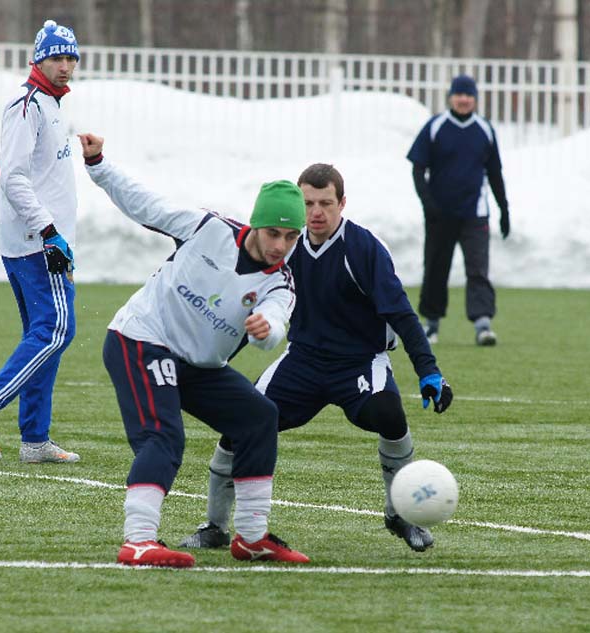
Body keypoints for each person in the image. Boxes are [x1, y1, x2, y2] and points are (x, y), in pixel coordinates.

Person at [180, 163, 454, 553]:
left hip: (360, 362)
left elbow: (401, 314)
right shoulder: (283, 247)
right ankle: (215, 526)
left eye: (326, 202)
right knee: (242, 423)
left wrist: (429, 371)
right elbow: (247, 310)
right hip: (303, 361)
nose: (316, 212)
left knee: (390, 416)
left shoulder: (363, 248)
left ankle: (401, 514)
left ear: (343, 203)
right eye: (308, 202)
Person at [78, 132, 310, 568]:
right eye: (274, 232)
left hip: (198, 365)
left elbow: (277, 320)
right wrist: (98, 165)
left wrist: (266, 330)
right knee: (164, 436)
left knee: (260, 417)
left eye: (291, 237)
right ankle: (140, 540)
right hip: (141, 339)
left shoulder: (280, 281)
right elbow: (145, 204)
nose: (280, 245)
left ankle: (253, 536)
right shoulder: (208, 229)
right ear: (255, 224)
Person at [0, 20, 81, 465]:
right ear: (37, 59)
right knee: (57, 330)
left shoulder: (51, 104)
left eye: (70, 57)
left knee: (44, 335)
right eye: (56, 57)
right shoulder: (27, 104)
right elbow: (14, 177)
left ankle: (34, 439)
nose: (65, 66)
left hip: (36, 239)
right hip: (37, 241)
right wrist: (49, 230)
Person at [406, 74, 510, 346]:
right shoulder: (436, 126)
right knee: (436, 268)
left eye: (469, 95)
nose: (464, 99)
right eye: (459, 94)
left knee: (478, 269)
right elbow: (418, 168)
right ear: (451, 97)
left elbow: (495, 172)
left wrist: (504, 209)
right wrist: (428, 204)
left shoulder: (484, 130)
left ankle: (482, 323)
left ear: (475, 98)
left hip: (475, 213)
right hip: (440, 214)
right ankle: (431, 324)